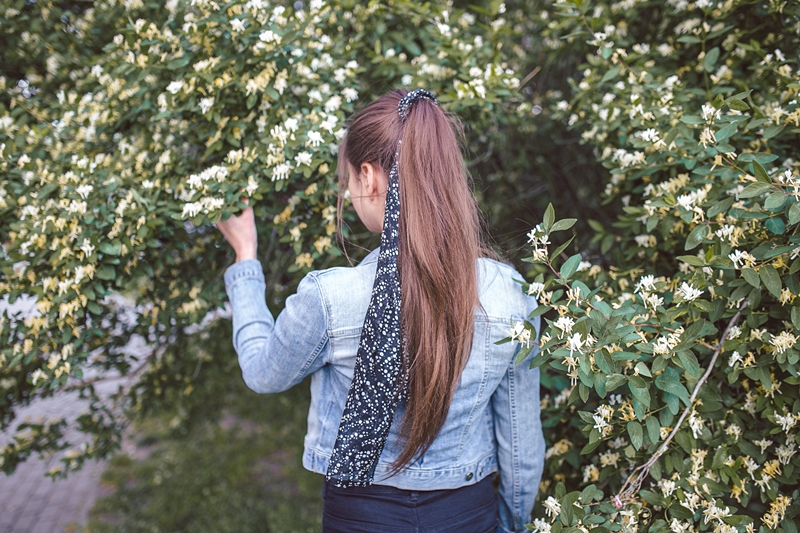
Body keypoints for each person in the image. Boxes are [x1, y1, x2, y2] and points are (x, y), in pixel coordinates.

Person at [216, 89, 544, 533]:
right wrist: (511, 525)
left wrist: (246, 257)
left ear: (369, 177)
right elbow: (521, 445)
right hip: (467, 515)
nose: (349, 192)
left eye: (348, 179)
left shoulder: (330, 297)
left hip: (361, 516)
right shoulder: (510, 295)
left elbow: (262, 373)